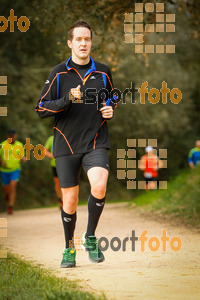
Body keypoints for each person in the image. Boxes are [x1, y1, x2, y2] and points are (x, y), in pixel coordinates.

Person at [35, 20, 117, 268]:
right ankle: (69, 249)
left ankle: (90, 236)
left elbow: (113, 96)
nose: (83, 43)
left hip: (95, 140)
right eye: (78, 39)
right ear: (70, 43)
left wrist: (110, 108)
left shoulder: (103, 71)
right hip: (66, 145)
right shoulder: (58, 73)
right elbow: (40, 108)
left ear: (91, 42)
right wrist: (67, 100)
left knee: (100, 185)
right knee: (69, 201)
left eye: (87, 39)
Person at [0, 129, 26, 214]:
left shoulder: (20, 145)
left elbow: (22, 155)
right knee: (6, 189)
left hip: (15, 170)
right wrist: (1, 161)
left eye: (13, 136)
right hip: (4, 170)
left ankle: (10, 207)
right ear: (8, 136)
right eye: (10, 136)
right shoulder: (3, 145)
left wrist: (23, 158)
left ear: (16, 136)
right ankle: (7, 194)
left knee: (13, 187)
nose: (11, 137)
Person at [45, 135, 63, 210]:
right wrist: (51, 155)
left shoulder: (66, 136)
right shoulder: (51, 138)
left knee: (66, 183)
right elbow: (44, 151)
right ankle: (60, 200)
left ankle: (66, 200)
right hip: (55, 165)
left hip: (66, 164)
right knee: (58, 184)